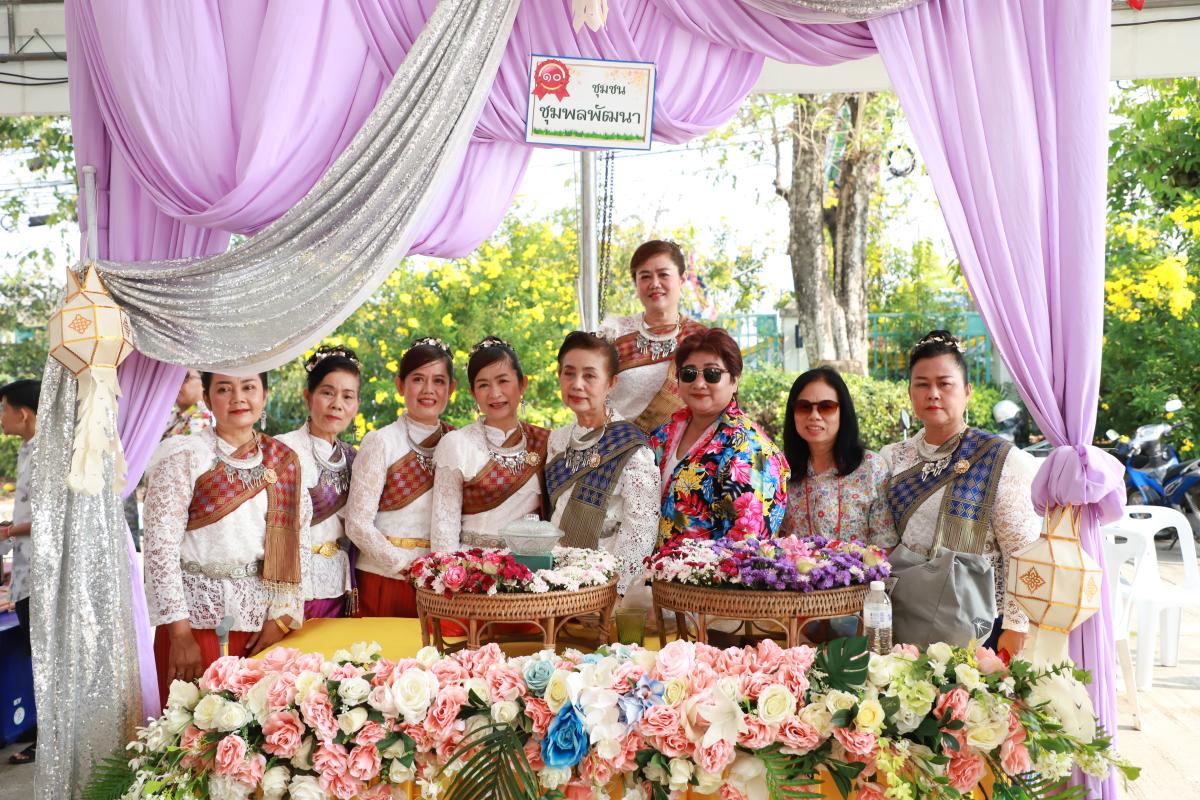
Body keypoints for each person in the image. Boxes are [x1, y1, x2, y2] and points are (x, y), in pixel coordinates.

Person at [143, 371, 310, 705]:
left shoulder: (285, 462)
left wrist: (281, 617)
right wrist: (180, 634)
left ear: (264, 395)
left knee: (257, 727)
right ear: (207, 398)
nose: (238, 398)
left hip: (261, 627)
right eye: (224, 389)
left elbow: (300, 543)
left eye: (249, 387)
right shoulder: (185, 455)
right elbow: (159, 548)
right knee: (191, 726)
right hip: (193, 627)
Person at [880, 331, 1042, 656]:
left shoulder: (1001, 460)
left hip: (978, 626)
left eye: (945, 383)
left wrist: (1016, 626)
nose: (933, 394)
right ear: (910, 392)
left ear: (967, 391)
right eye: (922, 384)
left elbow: (1023, 551)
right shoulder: (892, 458)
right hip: (905, 618)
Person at [545, 332, 660, 605]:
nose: (577, 384)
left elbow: (640, 531)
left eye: (589, 376)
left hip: (604, 581)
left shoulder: (632, 447)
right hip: (554, 578)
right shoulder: (557, 440)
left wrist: (616, 592)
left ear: (611, 383)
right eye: (569, 373)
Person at [346, 338, 456, 617]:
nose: (428, 390)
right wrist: (406, 566)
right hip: (384, 578)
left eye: (439, 381)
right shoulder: (381, 441)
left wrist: (441, 571)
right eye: (418, 379)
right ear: (400, 385)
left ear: (451, 389)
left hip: (439, 582)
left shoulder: (457, 442)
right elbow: (357, 524)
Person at [650, 328, 789, 546]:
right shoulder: (662, 435)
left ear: (734, 380)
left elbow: (749, 544)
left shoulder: (751, 449)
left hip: (705, 568)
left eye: (712, 374)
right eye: (689, 373)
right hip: (648, 566)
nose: (698, 384)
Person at [431, 337, 550, 551]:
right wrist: (449, 570)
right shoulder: (457, 444)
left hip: (530, 565)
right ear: (473, 393)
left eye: (503, 381)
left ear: (522, 384)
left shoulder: (545, 442)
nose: (495, 393)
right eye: (483, 385)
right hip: (472, 565)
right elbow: (444, 528)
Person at [276, 346, 361, 620]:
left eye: (347, 396)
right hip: (292, 594)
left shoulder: (353, 458)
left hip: (338, 588)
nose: (337, 404)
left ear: (356, 406)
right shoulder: (283, 450)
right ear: (307, 396)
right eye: (327, 393)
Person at [598, 240, 708, 433]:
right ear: (636, 282)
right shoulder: (613, 333)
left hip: (686, 447)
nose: (655, 284)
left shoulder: (702, 338)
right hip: (618, 445)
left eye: (663, 274)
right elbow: (590, 395)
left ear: (682, 279)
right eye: (645, 276)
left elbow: (716, 400)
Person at [779, 367, 894, 544]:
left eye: (826, 407)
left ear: (843, 412)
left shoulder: (872, 468)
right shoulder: (780, 469)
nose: (814, 416)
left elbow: (885, 543)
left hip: (861, 563)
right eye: (804, 407)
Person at [0, 378, 39, 765]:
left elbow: (49, 518)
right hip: (27, 570)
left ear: (23, 414)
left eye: (3, 409)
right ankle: (38, 724)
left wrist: (9, 531)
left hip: (43, 574)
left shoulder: (46, 453)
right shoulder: (28, 449)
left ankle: (48, 736)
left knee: (45, 657)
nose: (1, 417)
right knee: (34, 654)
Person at [163, 369, 215, 437]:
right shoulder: (167, 414)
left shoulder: (203, 419)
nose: (176, 383)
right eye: (174, 377)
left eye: (185, 377)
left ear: (204, 383)